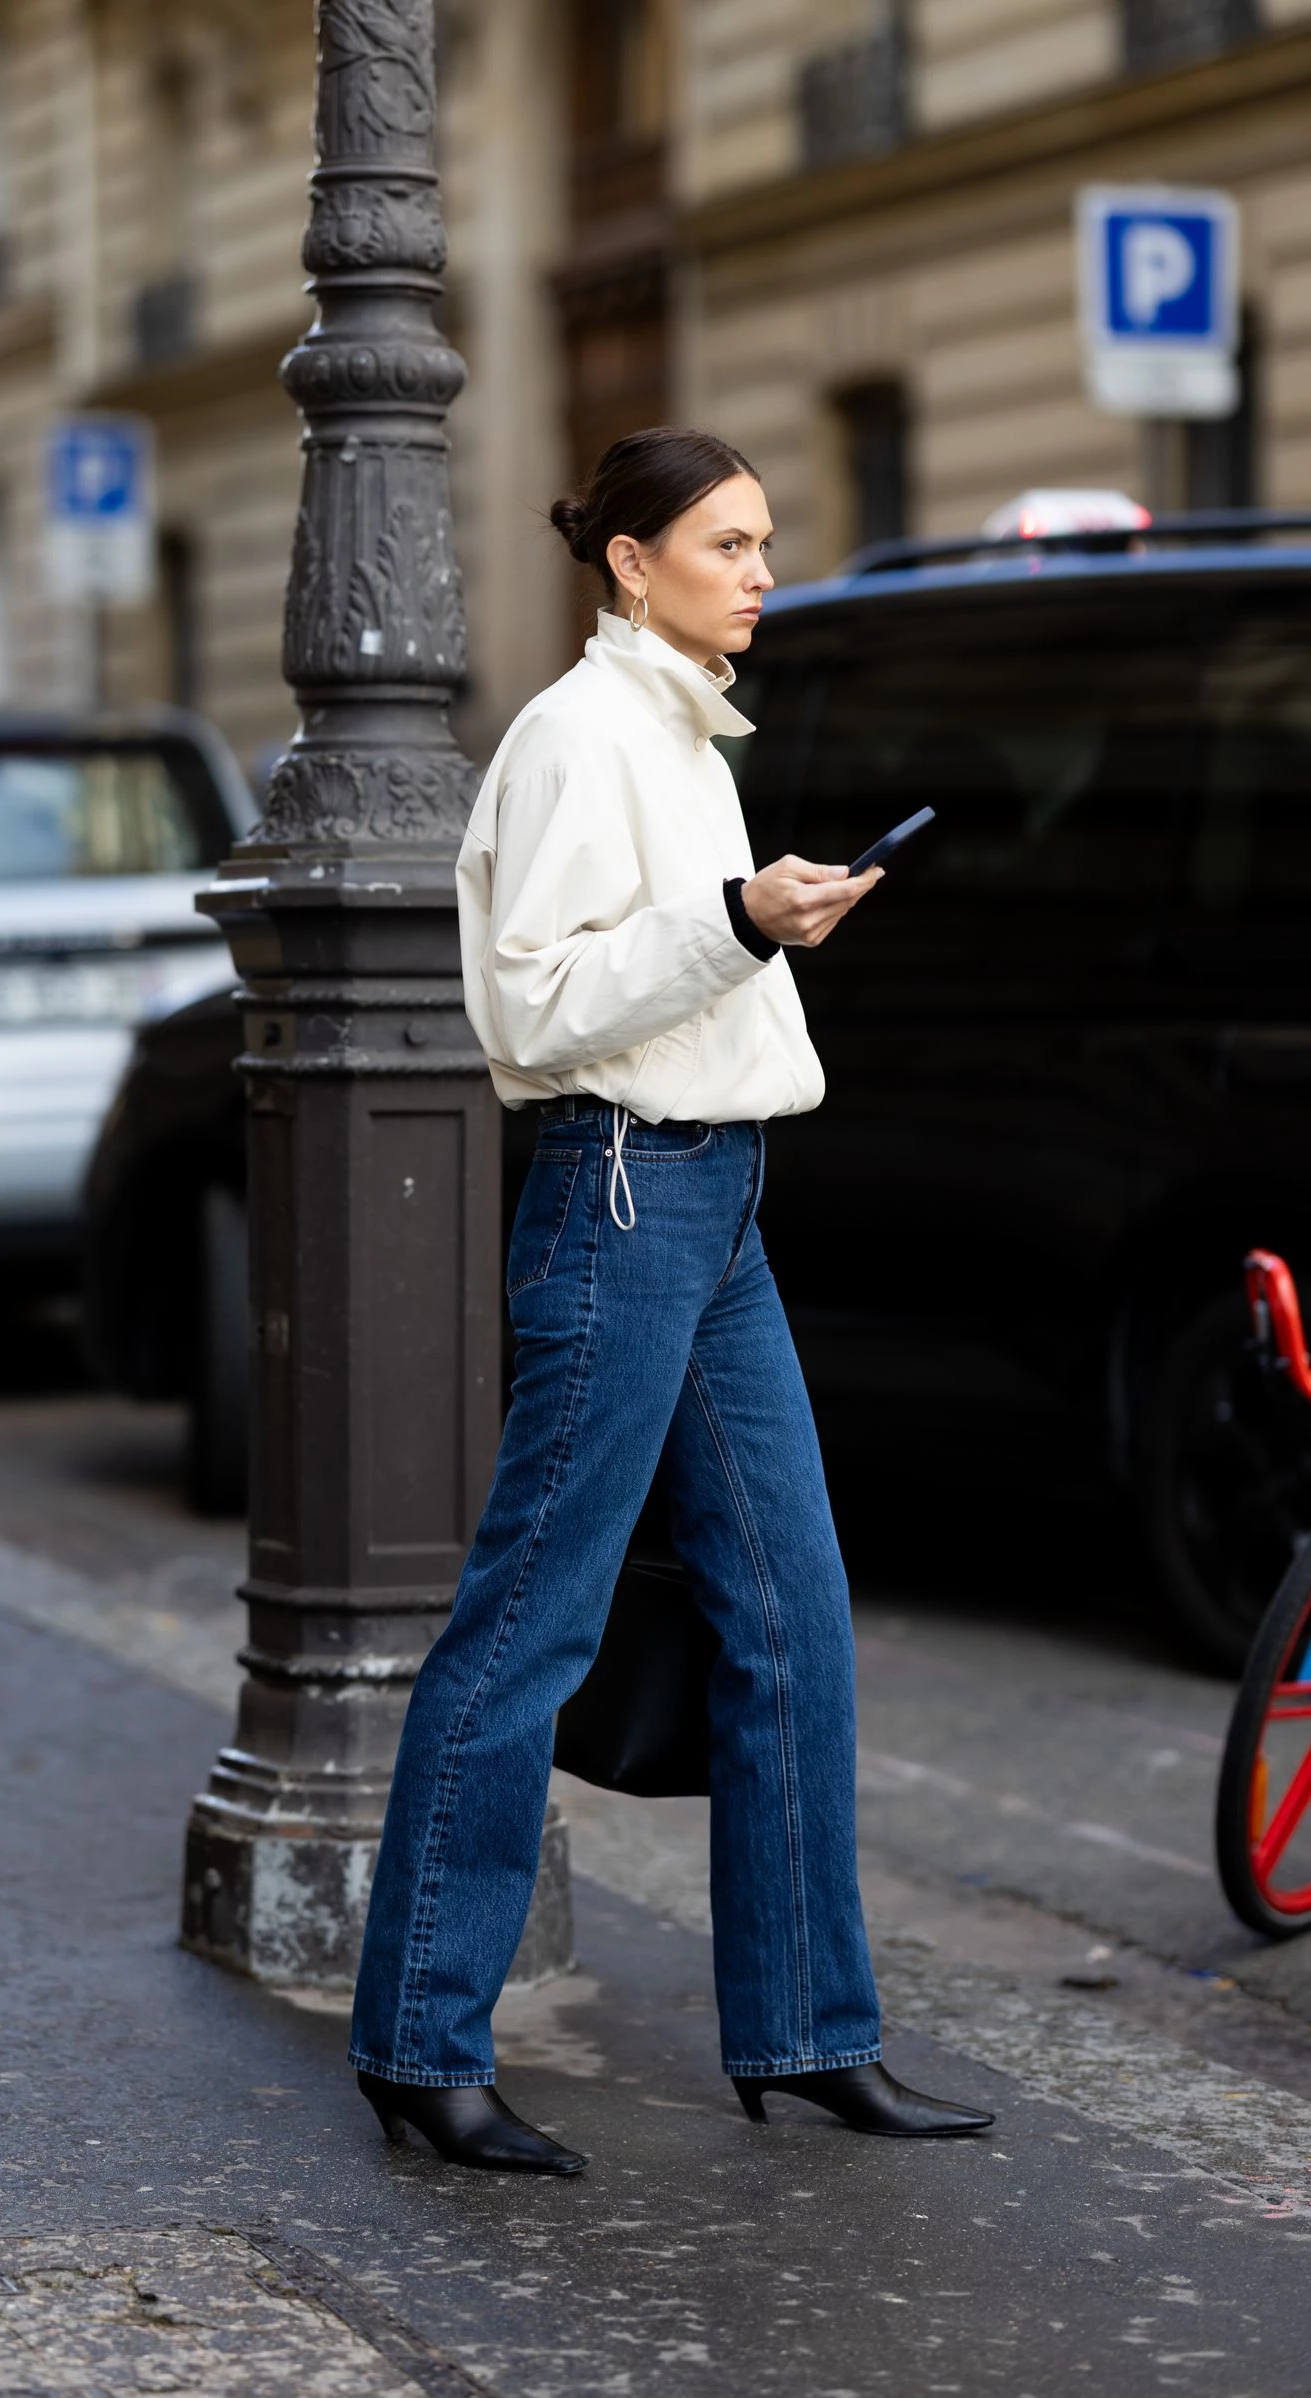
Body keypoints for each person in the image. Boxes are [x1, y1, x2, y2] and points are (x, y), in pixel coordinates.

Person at [348, 426, 994, 2172]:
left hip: (717, 1209)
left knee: (797, 1619)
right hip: (621, 1198)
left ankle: (804, 2032)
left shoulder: (686, 729)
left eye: (766, 541)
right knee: (535, 1623)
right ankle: (420, 2037)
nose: (761, 571)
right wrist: (736, 915)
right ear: (630, 563)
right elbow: (536, 1006)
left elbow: (691, 970)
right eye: (727, 542)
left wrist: (765, 919)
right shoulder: (574, 739)